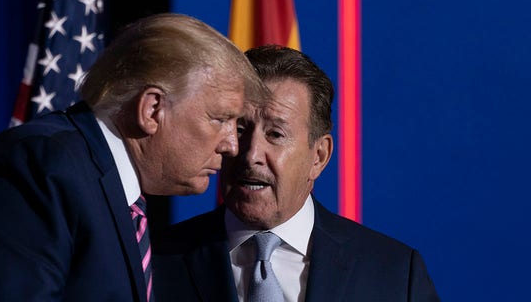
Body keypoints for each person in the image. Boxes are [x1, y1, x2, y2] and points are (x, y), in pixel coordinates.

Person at [0, 13, 267, 301]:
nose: (232, 145)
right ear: (152, 109)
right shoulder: (41, 169)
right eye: (219, 119)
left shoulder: (104, 185)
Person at [152, 45, 440, 301]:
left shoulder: (394, 274)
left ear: (319, 156)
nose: (250, 154)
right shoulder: (157, 261)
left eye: (275, 134)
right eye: (239, 129)